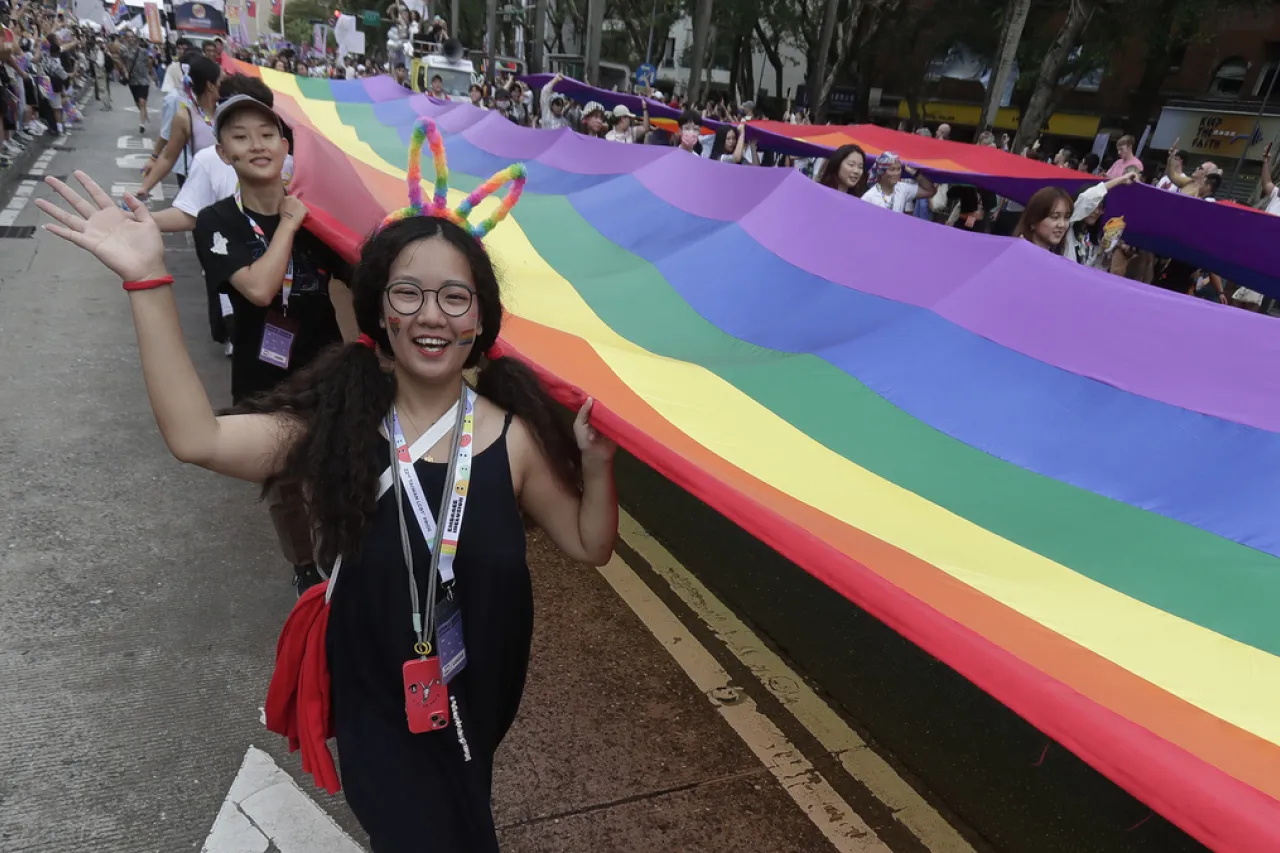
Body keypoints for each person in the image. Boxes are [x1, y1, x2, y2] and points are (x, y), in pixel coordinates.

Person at [35, 114, 618, 852]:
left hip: (476, 702)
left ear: (481, 320)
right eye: (408, 294)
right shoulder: (337, 423)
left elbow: (588, 542)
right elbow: (199, 437)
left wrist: (595, 464)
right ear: (378, 310)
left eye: (454, 298)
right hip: (377, 703)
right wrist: (149, 280)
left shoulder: (515, 436)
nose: (431, 315)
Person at [191, 93, 355, 591]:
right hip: (263, 377)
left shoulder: (317, 214)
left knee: (336, 472)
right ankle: (304, 567)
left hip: (325, 370)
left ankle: (345, 562)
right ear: (223, 153)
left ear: (286, 146)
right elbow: (260, 290)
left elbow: (360, 274)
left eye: (267, 134)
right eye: (240, 136)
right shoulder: (217, 222)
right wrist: (288, 222)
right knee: (285, 484)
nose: (257, 145)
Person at [861, 151, 935, 213]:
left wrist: (914, 173)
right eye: (892, 169)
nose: (896, 173)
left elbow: (930, 191)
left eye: (898, 169)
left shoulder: (902, 188)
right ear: (881, 172)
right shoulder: (869, 196)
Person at [118, 31, 152, 134]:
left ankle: (141, 124)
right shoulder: (124, 51)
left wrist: (150, 73)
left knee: (142, 101)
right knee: (138, 103)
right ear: (125, 39)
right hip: (132, 80)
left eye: (132, 37)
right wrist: (125, 72)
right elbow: (122, 62)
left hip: (144, 79)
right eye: (128, 37)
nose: (130, 39)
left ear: (135, 38)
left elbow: (150, 61)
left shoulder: (143, 51)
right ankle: (144, 112)